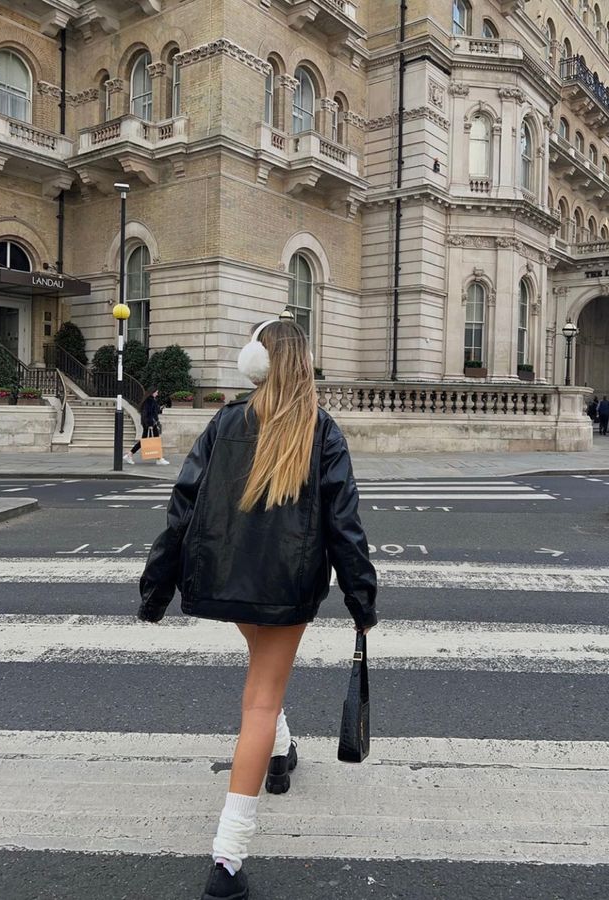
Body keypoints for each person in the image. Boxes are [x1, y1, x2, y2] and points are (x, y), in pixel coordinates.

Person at [138, 318, 377, 900]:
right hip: (286, 587)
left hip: (230, 579)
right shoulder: (320, 429)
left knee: (264, 675)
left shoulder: (226, 421)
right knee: (262, 697)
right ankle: (227, 859)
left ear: (257, 362)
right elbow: (344, 525)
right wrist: (361, 597)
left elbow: (183, 506)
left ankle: (281, 753)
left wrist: (157, 588)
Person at [124, 387, 170, 466]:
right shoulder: (149, 400)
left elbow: (153, 412)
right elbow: (146, 414)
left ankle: (130, 454)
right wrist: (150, 424)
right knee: (154, 440)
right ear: (152, 392)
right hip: (150, 424)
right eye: (156, 392)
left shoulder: (151, 400)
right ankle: (159, 458)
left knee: (144, 441)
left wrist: (160, 409)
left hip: (150, 423)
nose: (157, 394)